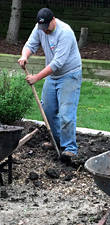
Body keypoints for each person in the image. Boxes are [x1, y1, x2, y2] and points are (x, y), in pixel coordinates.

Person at [18, 8, 82, 160]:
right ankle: (57, 141)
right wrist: (24, 56)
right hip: (52, 77)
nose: (45, 31)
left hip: (69, 75)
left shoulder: (65, 32)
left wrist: (36, 78)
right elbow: (30, 45)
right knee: (47, 110)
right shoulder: (40, 27)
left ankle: (69, 148)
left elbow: (57, 64)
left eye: (47, 27)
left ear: (53, 19)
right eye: (42, 28)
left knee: (66, 114)